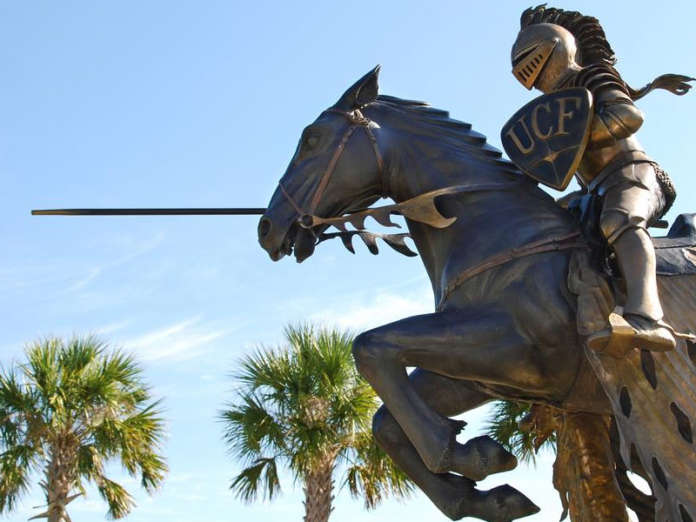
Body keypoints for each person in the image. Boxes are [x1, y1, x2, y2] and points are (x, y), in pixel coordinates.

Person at [509, 6, 694, 352]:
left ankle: (649, 318)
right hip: (593, 191)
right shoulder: (553, 106)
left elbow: (628, 115)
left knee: (619, 219)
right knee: (549, 233)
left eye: (531, 57)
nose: (525, 68)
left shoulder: (590, 76)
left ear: (556, 47)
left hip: (632, 173)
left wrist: (577, 140)